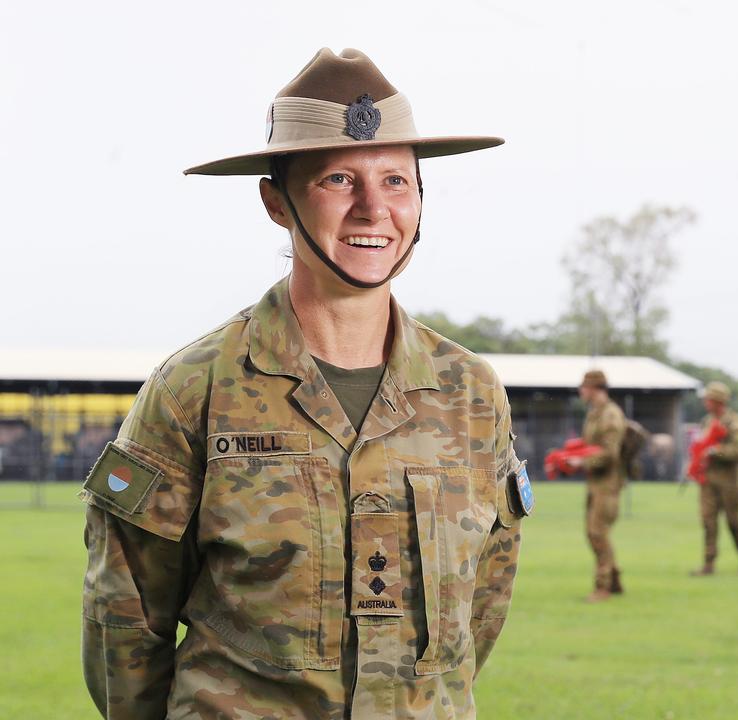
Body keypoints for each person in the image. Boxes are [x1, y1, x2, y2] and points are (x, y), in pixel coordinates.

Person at [79, 48, 529, 719]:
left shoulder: (469, 393)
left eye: (397, 183)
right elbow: (124, 614)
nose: (373, 210)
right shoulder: (193, 389)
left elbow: (483, 603)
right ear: (276, 201)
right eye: (339, 180)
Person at [572, 369, 628, 602]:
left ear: (595, 388)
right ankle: (614, 581)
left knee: (598, 532)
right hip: (595, 482)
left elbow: (610, 453)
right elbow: (590, 445)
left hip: (608, 483)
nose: (580, 391)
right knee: (593, 532)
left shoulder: (610, 415)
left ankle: (602, 587)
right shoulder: (595, 414)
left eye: (584, 387)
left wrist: (582, 461)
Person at [690, 381, 738, 575]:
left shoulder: (735, 422)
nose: (705, 402)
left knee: (733, 521)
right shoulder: (706, 421)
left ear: (718, 401)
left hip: (729, 479)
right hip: (708, 478)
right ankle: (708, 563)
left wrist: (715, 451)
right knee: (708, 521)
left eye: (708, 399)